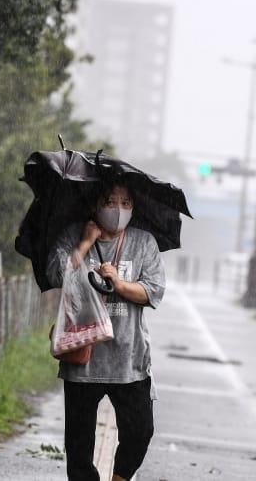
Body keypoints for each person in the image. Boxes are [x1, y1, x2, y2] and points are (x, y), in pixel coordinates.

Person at [46, 180, 165, 481]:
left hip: (129, 358)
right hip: (82, 355)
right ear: (96, 204)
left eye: (126, 203)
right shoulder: (73, 234)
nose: (118, 209)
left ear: (134, 207)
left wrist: (119, 283)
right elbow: (58, 274)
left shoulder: (143, 243)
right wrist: (85, 244)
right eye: (111, 201)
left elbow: (153, 291)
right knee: (78, 445)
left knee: (140, 431)